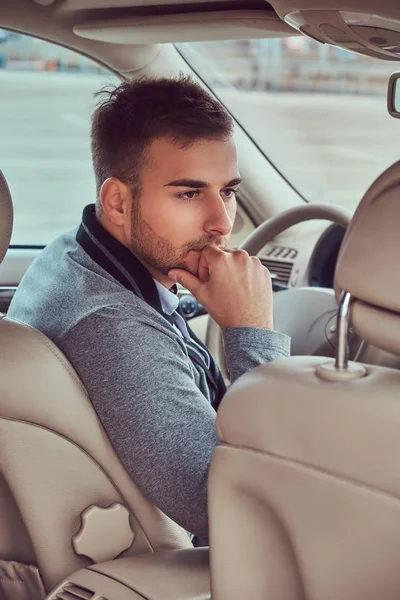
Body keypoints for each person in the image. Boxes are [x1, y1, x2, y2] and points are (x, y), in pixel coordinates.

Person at [8, 75, 290, 541]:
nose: (222, 222)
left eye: (227, 191)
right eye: (188, 193)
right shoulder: (111, 330)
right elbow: (245, 519)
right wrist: (251, 330)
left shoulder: (71, 255)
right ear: (117, 202)